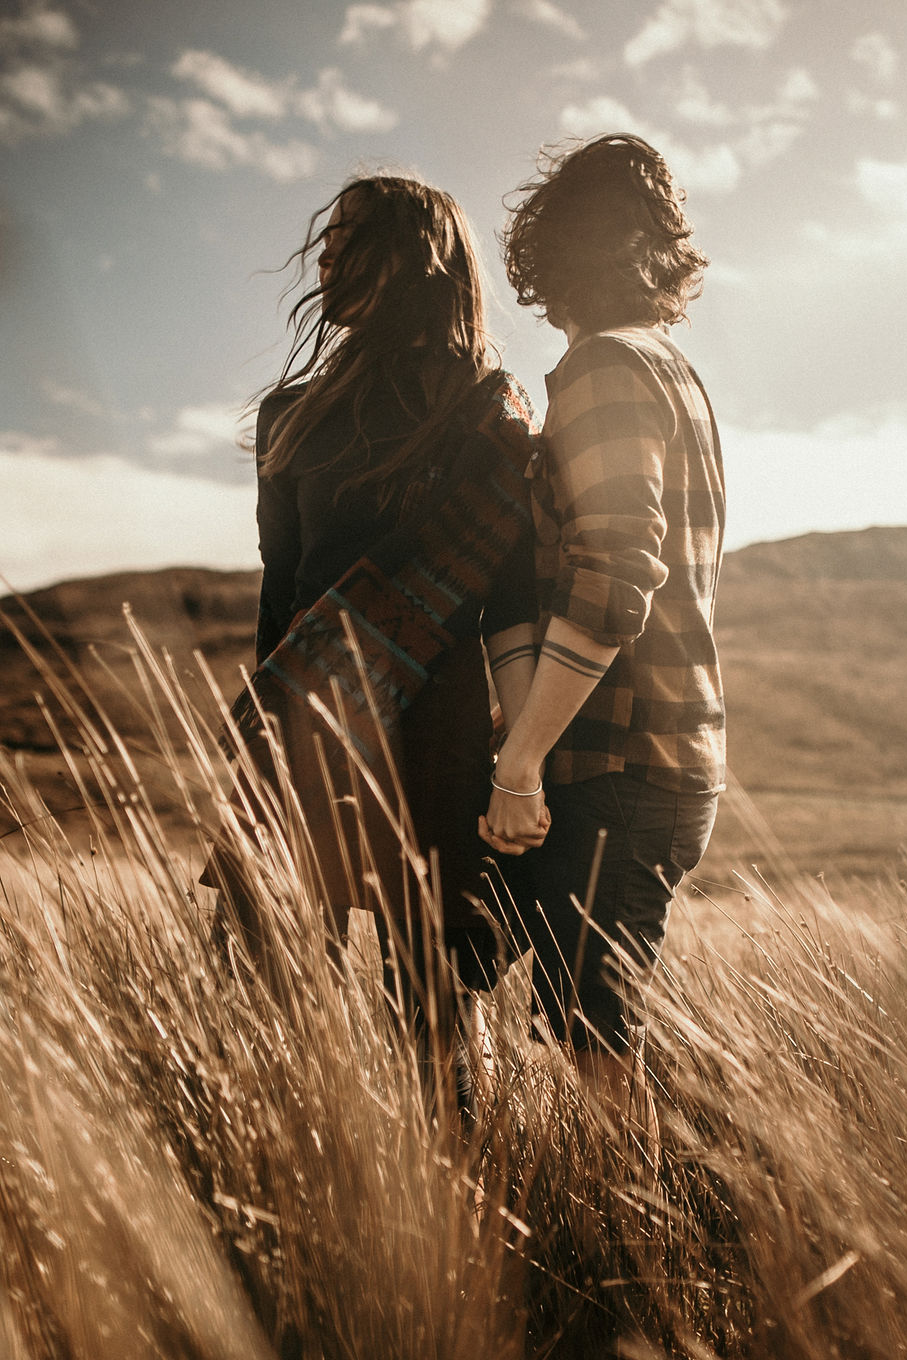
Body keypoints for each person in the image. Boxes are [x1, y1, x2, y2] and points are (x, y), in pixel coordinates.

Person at [206, 174, 541, 1040]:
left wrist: (525, 761)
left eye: (351, 233)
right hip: (304, 728)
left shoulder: (485, 414)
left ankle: (447, 1182)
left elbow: (509, 608)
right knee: (264, 1012)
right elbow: (280, 603)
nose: (325, 252)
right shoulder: (290, 416)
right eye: (328, 235)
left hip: (436, 746)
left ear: (417, 255)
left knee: (427, 1029)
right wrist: (263, 745)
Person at [479, 135, 726, 1106]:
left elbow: (617, 574)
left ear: (554, 249)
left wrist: (518, 760)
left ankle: (650, 1237)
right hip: (655, 760)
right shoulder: (674, 372)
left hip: (621, 763)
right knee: (571, 1022)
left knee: (593, 1045)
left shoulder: (603, 370)